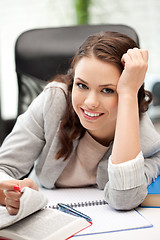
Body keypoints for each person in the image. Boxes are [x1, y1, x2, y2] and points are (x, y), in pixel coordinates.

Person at [0, 31, 160, 216]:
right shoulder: (54, 101)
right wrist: (9, 189)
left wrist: (128, 94)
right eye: (82, 85)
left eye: (107, 90)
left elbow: (124, 199)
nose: (90, 102)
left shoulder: (148, 143)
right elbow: (4, 167)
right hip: (48, 216)